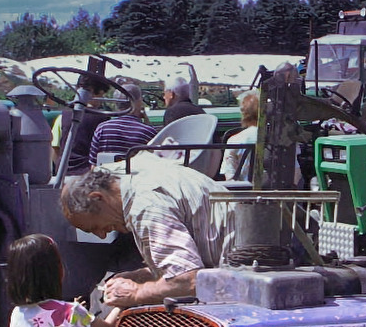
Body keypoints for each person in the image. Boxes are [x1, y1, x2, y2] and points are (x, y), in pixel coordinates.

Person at [61, 158, 235, 306]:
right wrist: (142, 276)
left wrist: (136, 293)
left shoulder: (145, 207)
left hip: (236, 289)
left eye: (95, 227)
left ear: (97, 198)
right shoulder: (143, 182)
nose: (102, 234)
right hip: (236, 273)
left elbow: (187, 281)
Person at [88, 79, 159, 164]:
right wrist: (147, 123)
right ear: (138, 103)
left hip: (108, 175)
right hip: (135, 176)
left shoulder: (102, 129)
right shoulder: (148, 132)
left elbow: (93, 164)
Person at [220, 90, 262, 183]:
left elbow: (230, 177)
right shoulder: (284, 140)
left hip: (245, 194)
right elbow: (296, 174)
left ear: (244, 113)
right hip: (280, 193)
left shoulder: (234, 140)